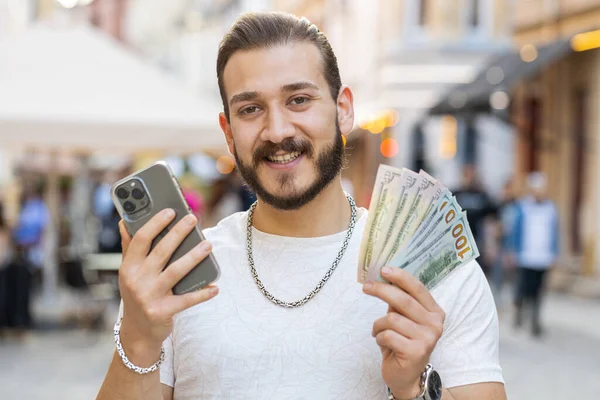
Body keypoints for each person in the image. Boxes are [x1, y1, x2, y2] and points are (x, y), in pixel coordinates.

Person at [97, 12, 506, 400]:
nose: (277, 131)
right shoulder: (177, 279)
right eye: (251, 109)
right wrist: (138, 334)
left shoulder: (436, 274)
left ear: (343, 110)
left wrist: (414, 387)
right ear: (228, 132)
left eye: (299, 100)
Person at [511, 172, 559, 338]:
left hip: (543, 257)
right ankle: (519, 313)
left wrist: (553, 253)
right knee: (524, 288)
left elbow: (554, 233)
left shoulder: (551, 209)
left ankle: (535, 321)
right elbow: (516, 231)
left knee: (539, 291)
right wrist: (513, 250)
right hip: (525, 256)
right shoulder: (523, 207)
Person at [452, 164, 497, 277]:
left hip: (477, 238)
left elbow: (492, 217)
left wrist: (491, 244)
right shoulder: (456, 194)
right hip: (458, 238)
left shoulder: (481, 195)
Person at [491, 177, 519, 308]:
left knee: (514, 276)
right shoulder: (498, 206)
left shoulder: (517, 206)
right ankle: (497, 303)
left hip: (512, 244)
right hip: (501, 243)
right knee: (498, 275)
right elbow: (494, 225)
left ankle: (515, 303)